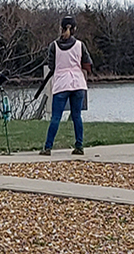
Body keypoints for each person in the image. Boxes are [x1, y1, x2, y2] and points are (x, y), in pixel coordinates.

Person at [39, 16, 93, 156]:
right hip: (78, 83)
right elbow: (87, 64)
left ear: (61, 28)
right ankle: (79, 146)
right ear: (74, 29)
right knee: (77, 116)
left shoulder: (54, 46)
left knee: (56, 117)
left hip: (62, 83)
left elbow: (51, 66)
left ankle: (47, 147)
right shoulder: (80, 45)